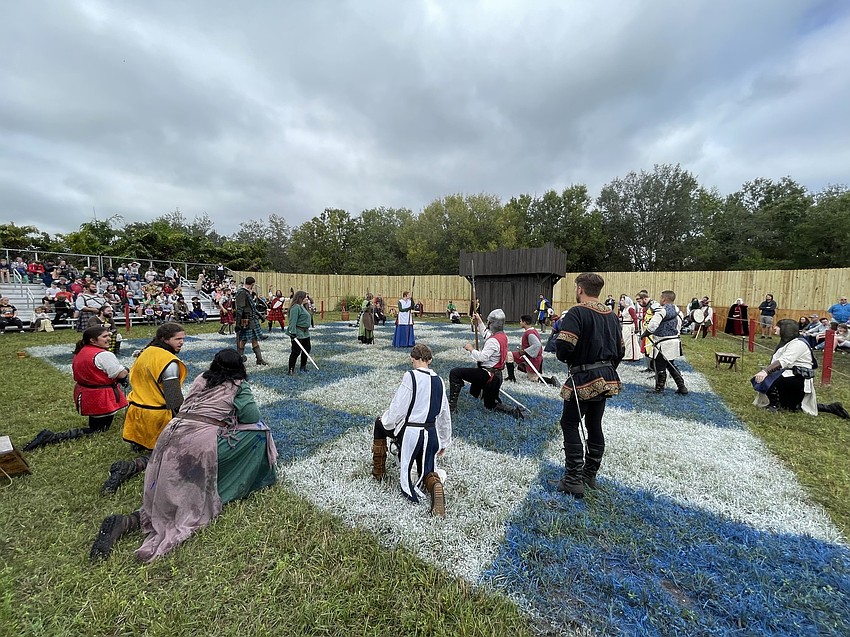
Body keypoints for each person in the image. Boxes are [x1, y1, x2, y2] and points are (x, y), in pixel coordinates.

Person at [90, 348, 278, 561]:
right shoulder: (238, 385)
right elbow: (251, 416)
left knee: (175, 479)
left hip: (172, 431)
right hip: (198, 438)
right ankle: (231, 483)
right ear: (240, 368)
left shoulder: (201, 378)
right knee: (260, 432)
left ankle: (130, 520)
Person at [552, 272, 624, 499]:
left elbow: (564, 346)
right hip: (606, 375)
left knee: (570, 423)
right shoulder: (611, 315)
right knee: (594, 423)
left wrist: (569, 359)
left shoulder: (577, 312)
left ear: (580, 289)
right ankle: (589, 475)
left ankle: (573, 480)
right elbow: (621, 349)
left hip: (583, 376)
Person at [101, 323, 187, 494]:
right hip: (155, 417)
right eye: (178, 339)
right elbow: (174, 400)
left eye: (183, 339)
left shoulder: (146, 352)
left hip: (136, 411)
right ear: (165, 339)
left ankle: (140, 443)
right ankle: (130, 467)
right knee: (172, 454)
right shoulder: (168, 362)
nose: (182, 342)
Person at [371, 344, 451, 516]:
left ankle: (378, 472)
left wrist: (387, 422)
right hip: (431, 434)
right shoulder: (439, 380)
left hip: (412, 434)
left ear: (412, 359)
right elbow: (444, 414)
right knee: (427, 471)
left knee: (379, 425)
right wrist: (444, 441)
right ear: (430, 360)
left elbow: (398, 407)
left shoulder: (410, 376)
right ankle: (436, 486)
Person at [23, 326, 129, 451]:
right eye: (105, 336)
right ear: (93, 341)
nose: (109, 338)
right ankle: (52, 437)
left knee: (97, 423)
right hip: (100, 396)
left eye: (109, 335)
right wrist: (126, 370)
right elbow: (120, 374)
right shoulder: (104, 355)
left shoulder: (82, 350)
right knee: (99, 430)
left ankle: (50, 437)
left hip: (87, 393)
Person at [752, 319, 849, 419]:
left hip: (798, 378)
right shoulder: (787, 342)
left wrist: (765, 371)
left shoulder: (798, 344)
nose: (775, 328)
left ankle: (774, 405)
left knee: (768, 378)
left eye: (778, 326)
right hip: (788, 376)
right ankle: (830, 408)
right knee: (792, 406)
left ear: (786, 329)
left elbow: (784, 361)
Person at [447, 309, 524, 419]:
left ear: (492, 323)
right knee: (489, 405)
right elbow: (486, 334)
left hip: (488, 376)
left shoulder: (493, 341)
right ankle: (513, 411)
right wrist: (479, 321)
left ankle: (451, 406)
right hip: (497, 376)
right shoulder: (502, 337)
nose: (487, 324)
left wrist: (471, 349)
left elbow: (482, 357)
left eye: (489, 322)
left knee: (455, 372)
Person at [640, 290, 688, 395]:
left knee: (659, 365)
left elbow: (653, 325)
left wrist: (644, 334)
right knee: (671, 364)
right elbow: (679, 326)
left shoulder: (662, 311)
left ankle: (659, 389)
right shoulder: (678, 311)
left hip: (663, 342)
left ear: (664, 299)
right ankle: (682, 386)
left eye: (661, 298)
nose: (660, 300)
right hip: (674, 341)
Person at [506, 314, 558, 386]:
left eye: (521, 321)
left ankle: (551, 381)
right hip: (528, 356)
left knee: (533, 378)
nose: (520, 323)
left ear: (525, 322)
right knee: (509, 355)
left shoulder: (529, 333)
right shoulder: (532, 331)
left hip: (531, 357)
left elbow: (537, 345)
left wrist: (524, 351)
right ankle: (511, 377)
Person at [234, 277, 267, 366]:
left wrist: (260, 316)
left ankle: (259, 360)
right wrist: (237, 323)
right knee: (243, 339)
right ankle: (239, 359)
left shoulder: (247, 293)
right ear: (252, 284)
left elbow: (251, 307)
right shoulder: (241, 293)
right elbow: (240, 309)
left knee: (254, 338)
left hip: (252, 319)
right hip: (245, 319)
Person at [286, 290, 313, 375]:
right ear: (300, 298)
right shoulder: (296, 307)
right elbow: (292, 321)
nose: (307, 299)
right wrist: (293, 333)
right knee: (296, 351)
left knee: (307, 349)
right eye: (305, 297)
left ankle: (303, 366)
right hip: (298, 332)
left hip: (305, 333)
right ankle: (291, 369)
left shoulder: (303, 307)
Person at [620, 295, 641, 361]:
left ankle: (631, 356)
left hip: (629, 327)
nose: (621, 302)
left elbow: (635, 318)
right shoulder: (625, 309)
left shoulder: (630, 309)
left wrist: (636, 327)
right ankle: (627, 354)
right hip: (625, 326)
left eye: (622, 300)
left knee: (630, 341)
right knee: (626, 341)